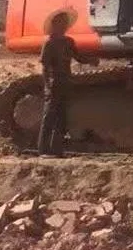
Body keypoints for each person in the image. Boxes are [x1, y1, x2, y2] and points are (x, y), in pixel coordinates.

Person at [38, 10, 99, 156]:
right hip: (54, 83)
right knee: (49, 117)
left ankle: (57, 149)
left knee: (62, 118)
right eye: (61, 22)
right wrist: (47, 86)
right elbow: (45, 67)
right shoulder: (49, 43)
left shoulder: (68, 42)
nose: (64, 25)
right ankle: (43, 149)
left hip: (65, 81)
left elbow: (78, 57)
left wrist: (91, 60)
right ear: (55, 25)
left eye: (65, 23)